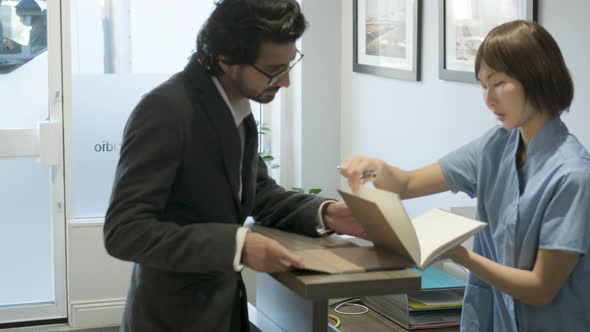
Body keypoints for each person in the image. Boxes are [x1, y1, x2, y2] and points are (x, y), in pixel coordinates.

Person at [104, 0, 363, 331]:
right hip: (172, 318)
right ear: (226, 59)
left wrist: (325, 213)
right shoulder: (166, 110)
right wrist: (237, 245)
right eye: (273, 70)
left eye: (288, 65)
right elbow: (124, 232)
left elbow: (258, 192)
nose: (285, 82)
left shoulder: (235, 103)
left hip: (223, 309)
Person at [339, 20, 590, 332]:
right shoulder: (494, 147)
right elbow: (406, 184)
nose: (489, 99)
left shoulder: (573, 175)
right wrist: (375, 167)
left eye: (498, 83)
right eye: (484, 86)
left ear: (536, 77)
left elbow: (540, 289)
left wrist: (462, 256)